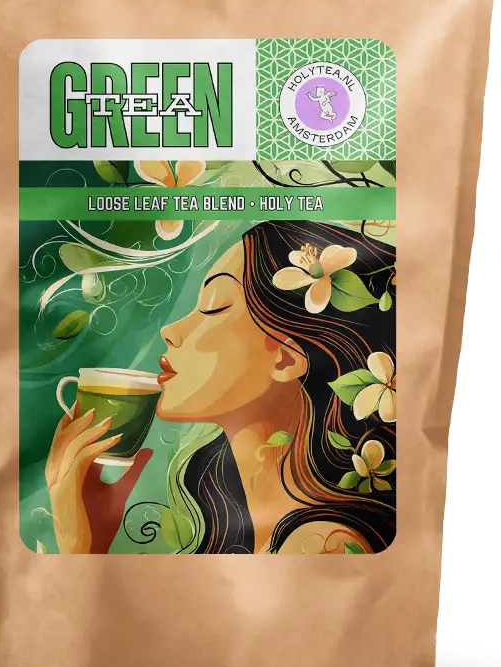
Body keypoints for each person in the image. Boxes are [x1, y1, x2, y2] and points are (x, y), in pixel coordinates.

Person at [46, 220, 397, 555]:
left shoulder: (325, 545)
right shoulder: (239, 527)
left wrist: (77, 549)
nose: (169, 331)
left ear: (286, 358)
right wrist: (91, 543)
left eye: (213, 307)